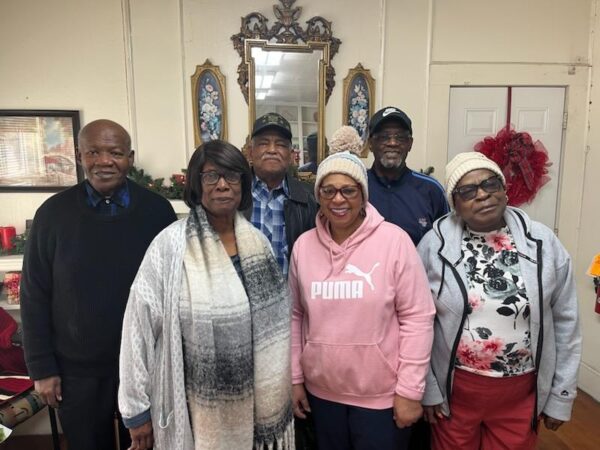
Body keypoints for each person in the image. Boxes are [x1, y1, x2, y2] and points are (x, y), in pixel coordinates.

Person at [118, 140, 294, 450]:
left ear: (243, 183)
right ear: (197, 184)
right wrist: (135, 409)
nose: (223, 185)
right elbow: (138, 329)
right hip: (194, 412)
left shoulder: (259, 244)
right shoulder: (170, 246)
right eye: (211, 176)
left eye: (232, 176)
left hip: (258, 407)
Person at [20, 119, 177, 450]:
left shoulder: (158, 212)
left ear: (130, 158)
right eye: (93, 152)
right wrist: (42, 368)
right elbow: (33, 295)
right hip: (77, 374)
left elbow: (174, 289)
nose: (104, 161)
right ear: (79, 156)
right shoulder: (52, 215)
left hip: (146, 367)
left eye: (115, 153)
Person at [417, 152, 581, 449]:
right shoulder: (433, 245)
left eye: (490, 184)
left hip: (521, 392)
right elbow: (418, 322)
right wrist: (428, 388)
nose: (482, 195)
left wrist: (562, 395)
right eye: (468, 191)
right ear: (455, 204)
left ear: (504, 189)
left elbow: (566, 321)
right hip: (455, 390)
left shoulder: (543, 242)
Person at [290, 136, 436, 450]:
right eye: (328, 190)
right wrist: (296, 378)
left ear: (363, 195)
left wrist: (410, 391)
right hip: (322, 394)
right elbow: (295, 316)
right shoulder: (303, 246)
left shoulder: (395, 241)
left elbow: (418, 318)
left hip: (381, 398)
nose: (338, 199)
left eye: (348, 190)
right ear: (319, 195)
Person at [245, 112, 319, 278]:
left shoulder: (310, 199)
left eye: (280, 144)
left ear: (291, 156)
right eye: (263, 143)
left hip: (291, 293)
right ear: (250, 152)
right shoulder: (235, 195)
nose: (272, 150)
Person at [367, 106, 449, 246]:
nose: (392, 143)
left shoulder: (431, 189)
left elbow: (447, 241)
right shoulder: (356, 186)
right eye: (384, 137)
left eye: (400, 137)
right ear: (370, 144)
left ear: (410, 144)